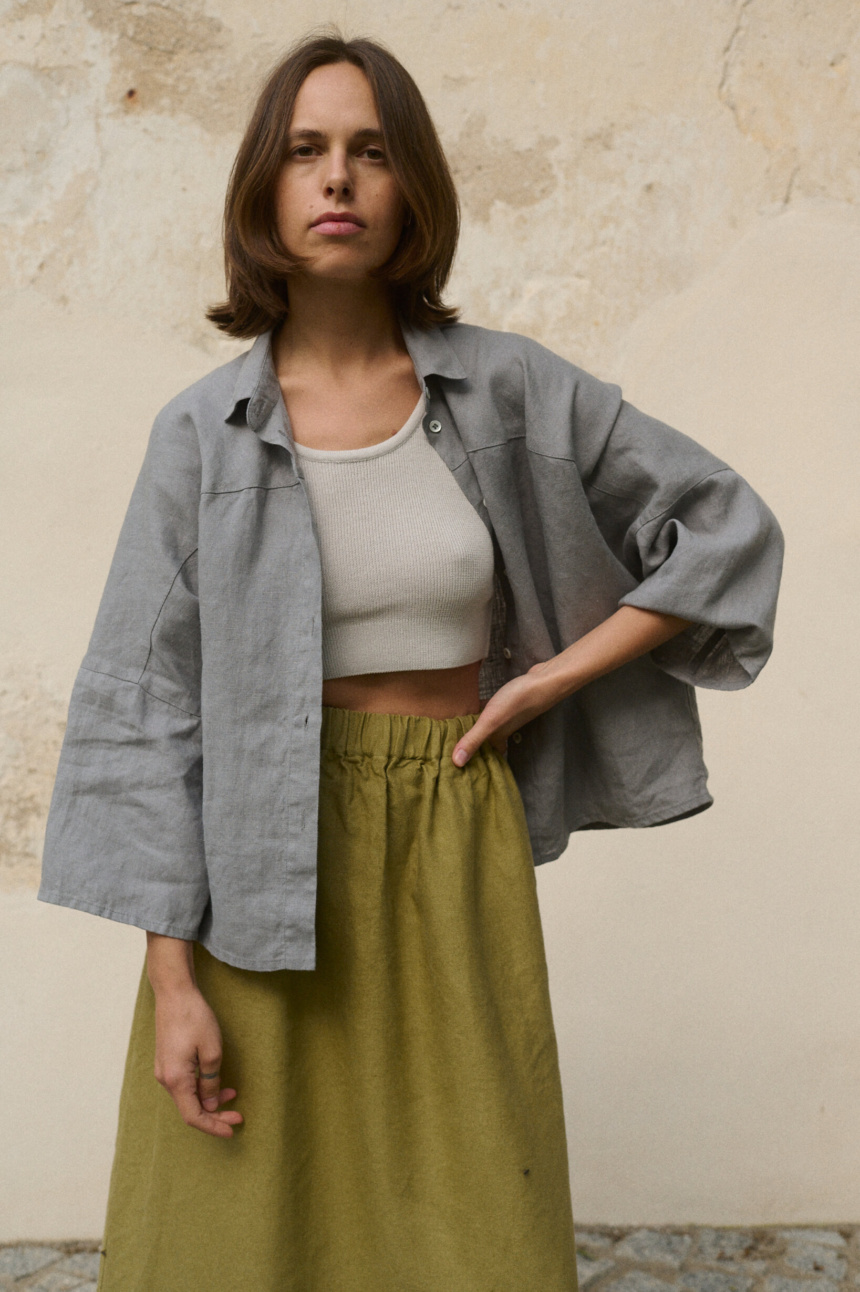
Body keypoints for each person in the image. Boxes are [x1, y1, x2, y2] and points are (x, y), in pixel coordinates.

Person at [38, 28, 784, 1292]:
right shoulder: (203, 432)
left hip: (449, 824)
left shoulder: (506, 392)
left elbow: (722, 525)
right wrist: (171, 981)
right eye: (306, 151)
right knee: (239, 1228)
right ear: (263, 192)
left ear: (411, 189)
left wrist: (549, 675)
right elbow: (148, 707)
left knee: (469, 1215)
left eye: (370, 152)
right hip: (251, 858)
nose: (337, 180)